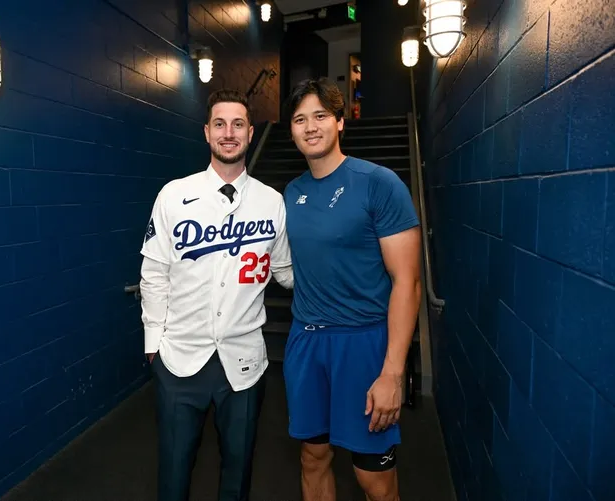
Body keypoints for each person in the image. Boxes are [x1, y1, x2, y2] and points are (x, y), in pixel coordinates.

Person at [138, 88, 294, 501]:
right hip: (179, 358)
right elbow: (154, 273)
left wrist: (340, 270)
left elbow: (284, 271)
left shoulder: (272, 202)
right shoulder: (173, 195)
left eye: (238, 124)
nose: (229, 133)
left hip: (244, 361)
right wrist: (154, 345)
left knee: (238, 474)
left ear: (250, 132)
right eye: (220, 124)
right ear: (207, 132)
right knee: (173, 474)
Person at [281, 77, 422, 501]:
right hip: (306, 343)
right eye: (300, 119)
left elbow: (408, 282)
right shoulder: (291, 193)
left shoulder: (379, 183)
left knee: (373, 479)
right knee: (312, 458)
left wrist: (392, 372)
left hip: (363, 345)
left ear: (340, 121)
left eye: (321, 116)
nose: (310, 127)